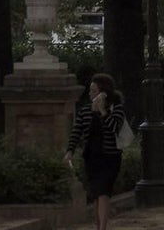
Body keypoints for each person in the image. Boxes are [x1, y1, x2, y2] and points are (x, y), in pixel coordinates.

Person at [64, 73, 126, 230]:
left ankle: (102, 227)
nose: (91, 94)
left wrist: (103, 112)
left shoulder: (116, 109)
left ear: (103, 92)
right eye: (90, 91)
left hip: (110, 158)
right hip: (92, 158)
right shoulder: (85, 111)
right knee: (97, 194)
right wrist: (70, 150)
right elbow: (76, 132)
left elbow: (115, 128)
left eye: (94, 91)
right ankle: (98, 225)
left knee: (104, 192)